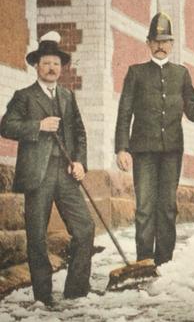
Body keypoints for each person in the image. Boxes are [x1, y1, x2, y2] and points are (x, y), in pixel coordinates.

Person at [115, 12, 194, 265]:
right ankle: (145, 262)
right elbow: (124, 112)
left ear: (172, 44)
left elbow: (193, 111)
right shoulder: (135, 73)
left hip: (171, 152)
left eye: (165, 41)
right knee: (145, 207)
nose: (160, 46)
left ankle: (164, 263)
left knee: (167, 208)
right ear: (148, 43)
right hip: (143, 151)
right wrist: (122, 148)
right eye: (156, 41)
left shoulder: (181, 74)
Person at [0, 31, 95, 305]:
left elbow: (79, 132)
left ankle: (76, 291)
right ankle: (44, 296)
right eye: (46, 63)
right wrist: (37, 126)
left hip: (66, 173)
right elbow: (5, 126)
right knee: (37, 236)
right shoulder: (24, 96)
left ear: (61, 67)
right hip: (37, 175)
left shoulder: (67, 96)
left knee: (85, 227)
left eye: (56, 63)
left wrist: (80, 162)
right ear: (36, 66)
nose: (52, 68)